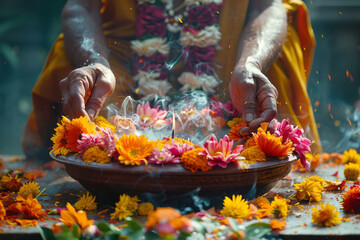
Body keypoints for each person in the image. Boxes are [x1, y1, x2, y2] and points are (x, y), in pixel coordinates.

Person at [21, 0, 321, 158]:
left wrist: (250, 63)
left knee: (276, 51)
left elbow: (267, 5)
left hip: (229, 46)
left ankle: (271, 160)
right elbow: (80, 5)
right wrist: (94, 61)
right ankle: (79, 155)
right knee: (72, 59)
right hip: (125, 51)